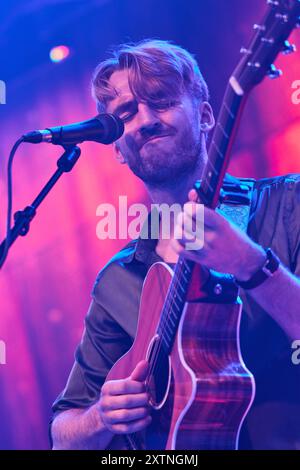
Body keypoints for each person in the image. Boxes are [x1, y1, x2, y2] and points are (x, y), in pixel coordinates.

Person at [50, 39, 300, 450]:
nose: (145, 120)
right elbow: (63, 433)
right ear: (117, 150)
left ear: (204, 116)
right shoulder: (118, 279)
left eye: (161, 102)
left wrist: (254, 267)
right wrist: (100, 416)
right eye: (125, 114)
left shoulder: (288, 205)